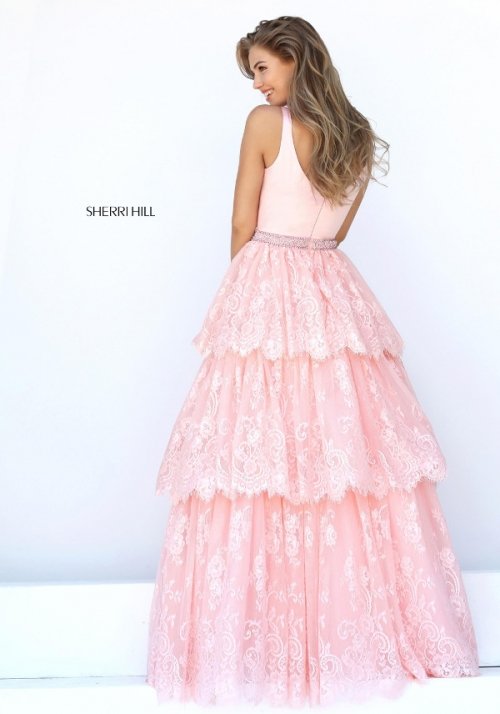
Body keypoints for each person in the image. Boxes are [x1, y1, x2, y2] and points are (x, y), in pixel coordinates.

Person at [146, 15, 480, 708]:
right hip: (333, 290)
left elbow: (242, 222)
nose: (257, 84)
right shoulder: (357, 136)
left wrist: (243, 296)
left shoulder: (264, 125)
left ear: (296, 59)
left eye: (263, 68)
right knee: (342, 458)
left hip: (266, 279)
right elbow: (338, 231)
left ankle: (256, 645)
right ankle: (351, 635)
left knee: (254, 456)